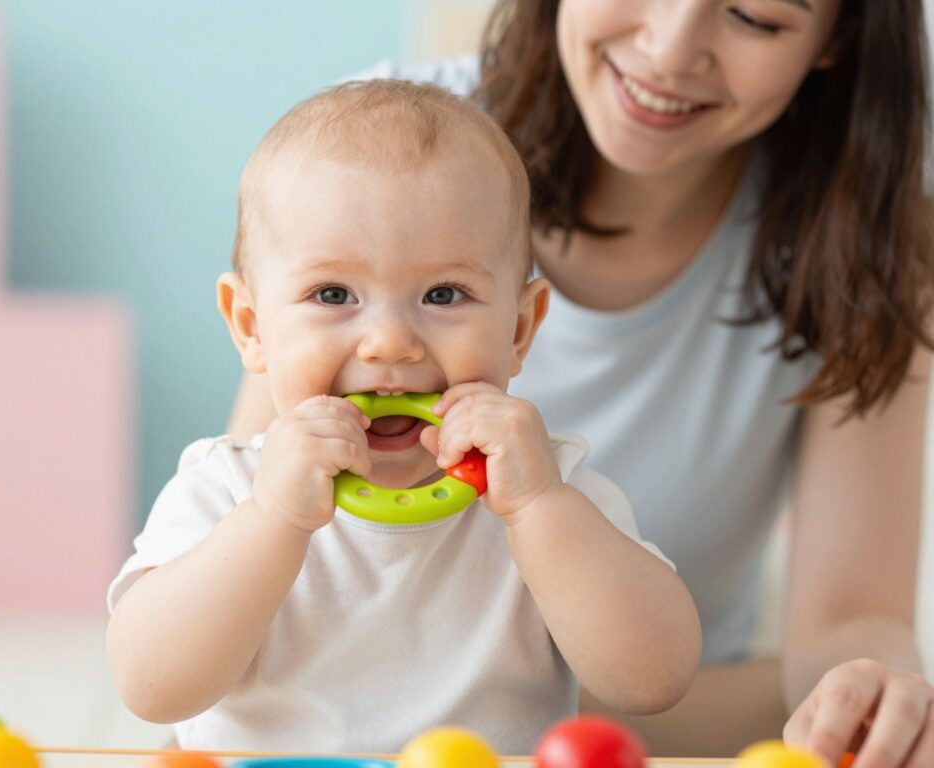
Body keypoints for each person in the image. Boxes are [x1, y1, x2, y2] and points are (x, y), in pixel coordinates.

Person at [228, 1, 934, 764]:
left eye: (753, 16)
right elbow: (240, 545)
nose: (668, 52)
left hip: (666, 720)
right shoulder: (376, 150)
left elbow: (846, 623)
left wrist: (872, 698)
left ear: (839, 38)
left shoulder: (872, 242)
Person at [105, 80, 701, 754]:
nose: (390, 341)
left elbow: (655, 680)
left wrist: (540, 505)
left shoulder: (547, 483)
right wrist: (271, 519)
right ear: (252, 327)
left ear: (520, 328)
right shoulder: (227, 488)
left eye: (444, 294)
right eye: (333, 294)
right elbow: (150, 688)